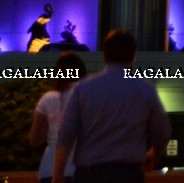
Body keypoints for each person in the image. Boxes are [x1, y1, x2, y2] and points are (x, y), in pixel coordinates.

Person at [54, 30, 172, 183]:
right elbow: (163, 133)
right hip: (128, 174)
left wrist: (57, 177)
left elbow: (66, 135)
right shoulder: (146, 91)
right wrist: (153, 154)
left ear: (104, 55)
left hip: (89, 174)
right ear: (133, 56)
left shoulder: (82, 89)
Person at [30, 50, 83, 182]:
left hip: (51, 168)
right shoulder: (87, 97)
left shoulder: (48, 99)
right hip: (81, 167)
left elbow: (35, 139)